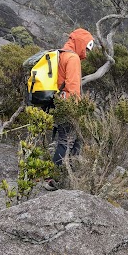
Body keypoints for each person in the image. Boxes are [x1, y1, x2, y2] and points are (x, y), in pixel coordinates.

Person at [44, 28, 94, 190]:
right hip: (66, 106)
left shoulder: (59, 54)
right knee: (66, 141)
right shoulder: (72, 58)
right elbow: (73, 89)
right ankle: (55, 179)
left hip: (54, 104)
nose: (86, 53)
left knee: (67, 140)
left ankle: (65, 174)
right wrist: (77, 112)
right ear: (80, 42)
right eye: (86, 47)